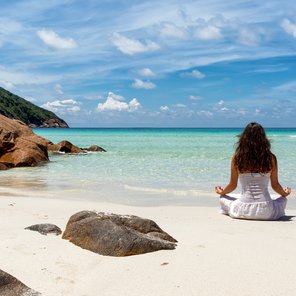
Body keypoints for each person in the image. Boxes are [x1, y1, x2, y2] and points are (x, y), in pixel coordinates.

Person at [215, 122, 291, 220]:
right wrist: (285, 194)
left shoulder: (237, 158)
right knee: (283, 199)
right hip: (266, 210)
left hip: (242, 209)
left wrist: (222, 192)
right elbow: (275, 185)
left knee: (223, 198)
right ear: (263, 139)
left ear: (244, 138)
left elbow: (233, 185)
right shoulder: (270, 158)